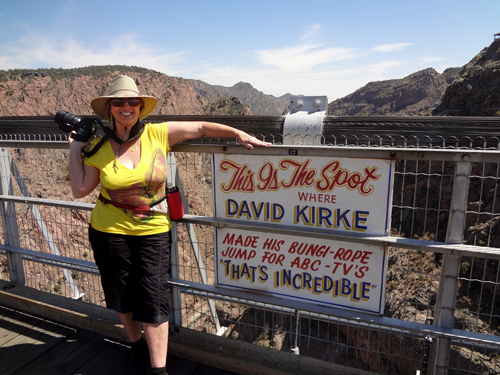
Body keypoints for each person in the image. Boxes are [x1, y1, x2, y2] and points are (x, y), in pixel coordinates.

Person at [68, 75, 270, 375]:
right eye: (119, 102)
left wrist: (238, 133)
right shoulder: (100, 147)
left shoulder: (158, 134)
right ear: (110, 108)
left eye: (132, 101)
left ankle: (158, 370)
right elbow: (80, 189)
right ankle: (137, 346)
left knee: (153, 297)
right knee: (122, 295)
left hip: (153, 231)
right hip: (108, 231)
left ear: (140, 106)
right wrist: (75, 148)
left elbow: (201, 128)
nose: (126, 106)